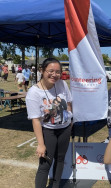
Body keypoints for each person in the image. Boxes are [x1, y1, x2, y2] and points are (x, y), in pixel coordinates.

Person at [26, 58, 73, 188]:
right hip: (48, 131)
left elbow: (68, 102)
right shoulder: (34, 93)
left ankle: (55, 185)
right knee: (45, 164)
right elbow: (35, 120)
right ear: (42, 70)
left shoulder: (62, 84)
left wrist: (70, 119)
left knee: (60, 159)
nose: (54, 75)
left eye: (58, 72)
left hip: (64, 129)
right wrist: (41, 144)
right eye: (51, 71)